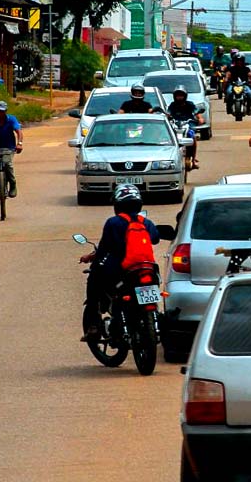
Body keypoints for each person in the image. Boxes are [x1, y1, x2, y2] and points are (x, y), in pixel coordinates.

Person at [79, 184, 161, 339]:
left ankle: (94, 326)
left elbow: (104, 248)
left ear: (117, 204)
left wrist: (94, 261)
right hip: (148, 269)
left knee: (93, 280)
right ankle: (156, 319)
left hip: (121, 271)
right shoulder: (146, 222)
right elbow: (155, 239)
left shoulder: (113, 223)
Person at [167, 85, 202, 169]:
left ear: (185, 96)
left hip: (188, 124)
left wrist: (200, 118)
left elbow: (197, 113)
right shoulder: (172, 105)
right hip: (175, 125)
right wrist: (167, 117)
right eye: (178, 95)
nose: (179, 97)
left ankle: (193, 160)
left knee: (192, 137)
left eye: (181, 95)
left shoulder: (190, 104)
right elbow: (168, 113)